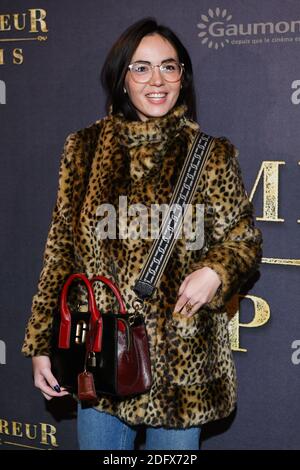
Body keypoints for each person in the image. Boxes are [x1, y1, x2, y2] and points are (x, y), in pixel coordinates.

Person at [22, 17, 263, 450]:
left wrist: (216, 271)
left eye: (170, 67)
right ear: (121, 78)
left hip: (180, 364)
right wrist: (42, 342)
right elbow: (60, 252)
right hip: (99, 359)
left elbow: (244, 241)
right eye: (142, 67)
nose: (158, 80)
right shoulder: (84, 148)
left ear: (182, 77)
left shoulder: (211, 154)